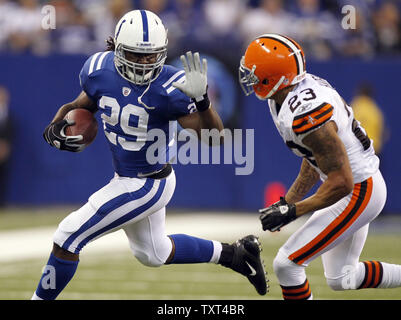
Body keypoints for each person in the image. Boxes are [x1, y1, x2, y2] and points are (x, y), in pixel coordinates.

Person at [32, 10, 267, 300]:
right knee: (154, 253)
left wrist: (203, 102)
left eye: (151, 56)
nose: (145, 63)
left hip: (147, 183)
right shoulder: (97, 69)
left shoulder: (171, 88)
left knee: (67, 236)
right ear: (117, 49)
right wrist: (55, 128)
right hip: (127, 176)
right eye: (136, 55)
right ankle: (235, 254)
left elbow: (215, 138)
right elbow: (77, 106)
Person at [239, 33, 401, 299]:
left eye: (255, 72)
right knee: (343, 278)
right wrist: (287, 202)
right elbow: (315, 158)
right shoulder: (285, 97)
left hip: (359, 189)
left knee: (286, 264)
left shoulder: (305, 112)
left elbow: (341, 181)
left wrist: (293, 211)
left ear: (275, 76)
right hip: (354, 184)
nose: (249, 77)